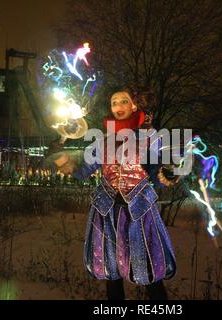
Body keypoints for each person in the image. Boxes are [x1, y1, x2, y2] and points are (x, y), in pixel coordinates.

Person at [56, 87, 177, 300]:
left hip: (138, 213)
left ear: (134, 105)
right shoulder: (102, 140)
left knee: (147, 267)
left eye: (123, 101)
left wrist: (168, 173)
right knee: (112, 271)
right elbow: (82, 171)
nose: (118, 106)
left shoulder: (149, 137)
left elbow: (157, 171)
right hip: (107, 212)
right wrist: (61, 157)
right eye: (114, 102)